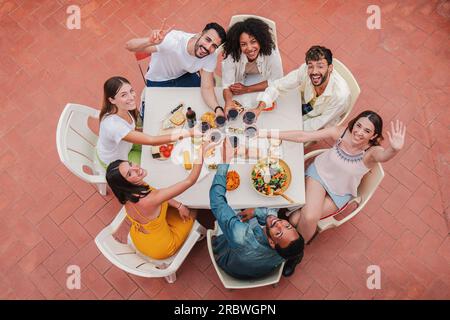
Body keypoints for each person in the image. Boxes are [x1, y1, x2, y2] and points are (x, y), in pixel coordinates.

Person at [259, 111, 406, 243]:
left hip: (340, 192)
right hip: (320, 175)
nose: (359, 132)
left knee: (296, 218)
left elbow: (384, 155)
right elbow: (304, 136)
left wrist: (393, 149)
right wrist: (268, 133)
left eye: (367, 131)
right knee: (308, 217)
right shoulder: (341, 133)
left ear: (373, 136)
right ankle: (295, 249)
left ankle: (295, 249)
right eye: (358, 126)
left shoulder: (372, 153)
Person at [209, 137, 305, 278]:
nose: (279, 223)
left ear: (272, 242)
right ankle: (293, 261)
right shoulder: (287, 249)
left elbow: (217, 202)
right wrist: (256, 211)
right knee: (271, 211)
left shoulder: (240, 235)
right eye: (288, 226)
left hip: (231, 262)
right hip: (265, 267)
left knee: (234, 207)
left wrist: (224, 161)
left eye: (278, 233)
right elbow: (274, 220)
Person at [105, 141, 215, 259]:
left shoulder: (126, 193)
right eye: (129, 174)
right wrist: (201, 152)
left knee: (181, 205)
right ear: (124, 183)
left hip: (141, 237)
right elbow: (190, 181)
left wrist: (178, 206)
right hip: (161, 247)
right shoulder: (150, 198)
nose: (136, 168)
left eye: (131, 164)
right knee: (193, 207)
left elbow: (159, 197)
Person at [126, 21, 227, 118]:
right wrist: (149, 41)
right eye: (208, 40)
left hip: (183, 76)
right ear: (199, 34)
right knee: (157, 114)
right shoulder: (173, 40)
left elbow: (207, 88)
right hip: (159, 80)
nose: (208, 47)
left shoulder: (210, 55)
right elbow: (129, 46)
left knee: (197, 105)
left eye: (214, 46)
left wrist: (217, 108)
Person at [96, 76, 197, 168]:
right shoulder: (114, 126)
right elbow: (152, 141)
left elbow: (136, 129)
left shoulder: (123, 108)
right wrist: (188, 133)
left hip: (126, 147)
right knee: (153, 168)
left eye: (131, 91)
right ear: (112, 100)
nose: (131, 97)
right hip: (115, 162)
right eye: (123, 95)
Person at [252, 45, 351, 131]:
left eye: (320, 66)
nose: (314, 72)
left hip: (319, 117)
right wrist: (259, 108)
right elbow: (277, 85)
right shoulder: (305, 69)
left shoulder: (340, 96)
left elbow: (320, 122)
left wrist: (291, 129)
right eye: (311, 66)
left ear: (330, 68)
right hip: (305, 102)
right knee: (273, 115)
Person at [222, 17, 283, 113]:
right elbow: (227, 85)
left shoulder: (272, 53)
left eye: (253, 41)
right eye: (243, 44)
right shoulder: (232, 54)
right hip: (240, 79)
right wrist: (229, 103)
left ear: (261, 40)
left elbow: (276, 81)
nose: (249, 48)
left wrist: (247, 89)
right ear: (238, 45)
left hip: (262, 79)